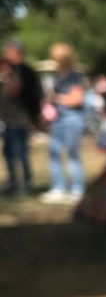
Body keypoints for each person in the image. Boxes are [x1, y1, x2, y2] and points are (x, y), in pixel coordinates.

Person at [40, 43, 86, 204]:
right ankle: (58, 187)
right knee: (53, 152)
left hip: (71, 119)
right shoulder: (57, 76)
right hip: (59, 119)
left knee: (72, 154)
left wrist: (56, 98)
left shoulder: (74, 77)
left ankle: (77, 189)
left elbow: (77, 99)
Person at [0, 40, 43, 195]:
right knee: (8, 152)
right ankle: (12, 182)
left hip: (18, 118)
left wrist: (6, 74)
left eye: (7, 50)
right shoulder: (14, 70)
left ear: (15, 52)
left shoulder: (21, 70)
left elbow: (14, 91)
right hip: (8, 118)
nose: (5, 54)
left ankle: (26, 183)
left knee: (20, 152)